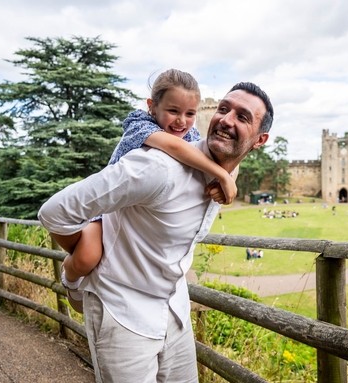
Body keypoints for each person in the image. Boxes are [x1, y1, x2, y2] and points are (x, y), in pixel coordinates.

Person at [38, 81, 274, 382]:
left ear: (259, 139)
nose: (226, 119)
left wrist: (225, 177)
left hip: (175, 312)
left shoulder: (228, 173)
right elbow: (54, 212)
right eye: (223, 109)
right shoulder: (157, 169)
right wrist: (85, 259)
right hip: (122, 313)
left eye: (242, 117)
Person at [60, 69, 238, 312]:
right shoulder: (140, 124)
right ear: (152, 106)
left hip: (142, 219)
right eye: (173, 111)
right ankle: (69, 279)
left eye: (190, 114)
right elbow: (174, 147)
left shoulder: (191, 134)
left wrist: (223, 183)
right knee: (87, 257)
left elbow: (218, 157)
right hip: (110, 211)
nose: (181, 121)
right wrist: (221, 176)